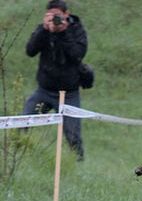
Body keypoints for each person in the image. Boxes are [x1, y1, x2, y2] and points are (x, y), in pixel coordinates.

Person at [23, 0, 88, 160]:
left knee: (73, 137)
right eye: (52, 15)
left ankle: (77, 166)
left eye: (58, 15)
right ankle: (17, 158)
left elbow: (77, 55)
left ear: (66, 14)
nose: (55, 19)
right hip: (44, 91)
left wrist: (63, 32)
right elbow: (30, 51)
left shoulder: (76, 30)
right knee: (22, 122)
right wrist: (45, 31)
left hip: (68, 94)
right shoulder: (44, 29)